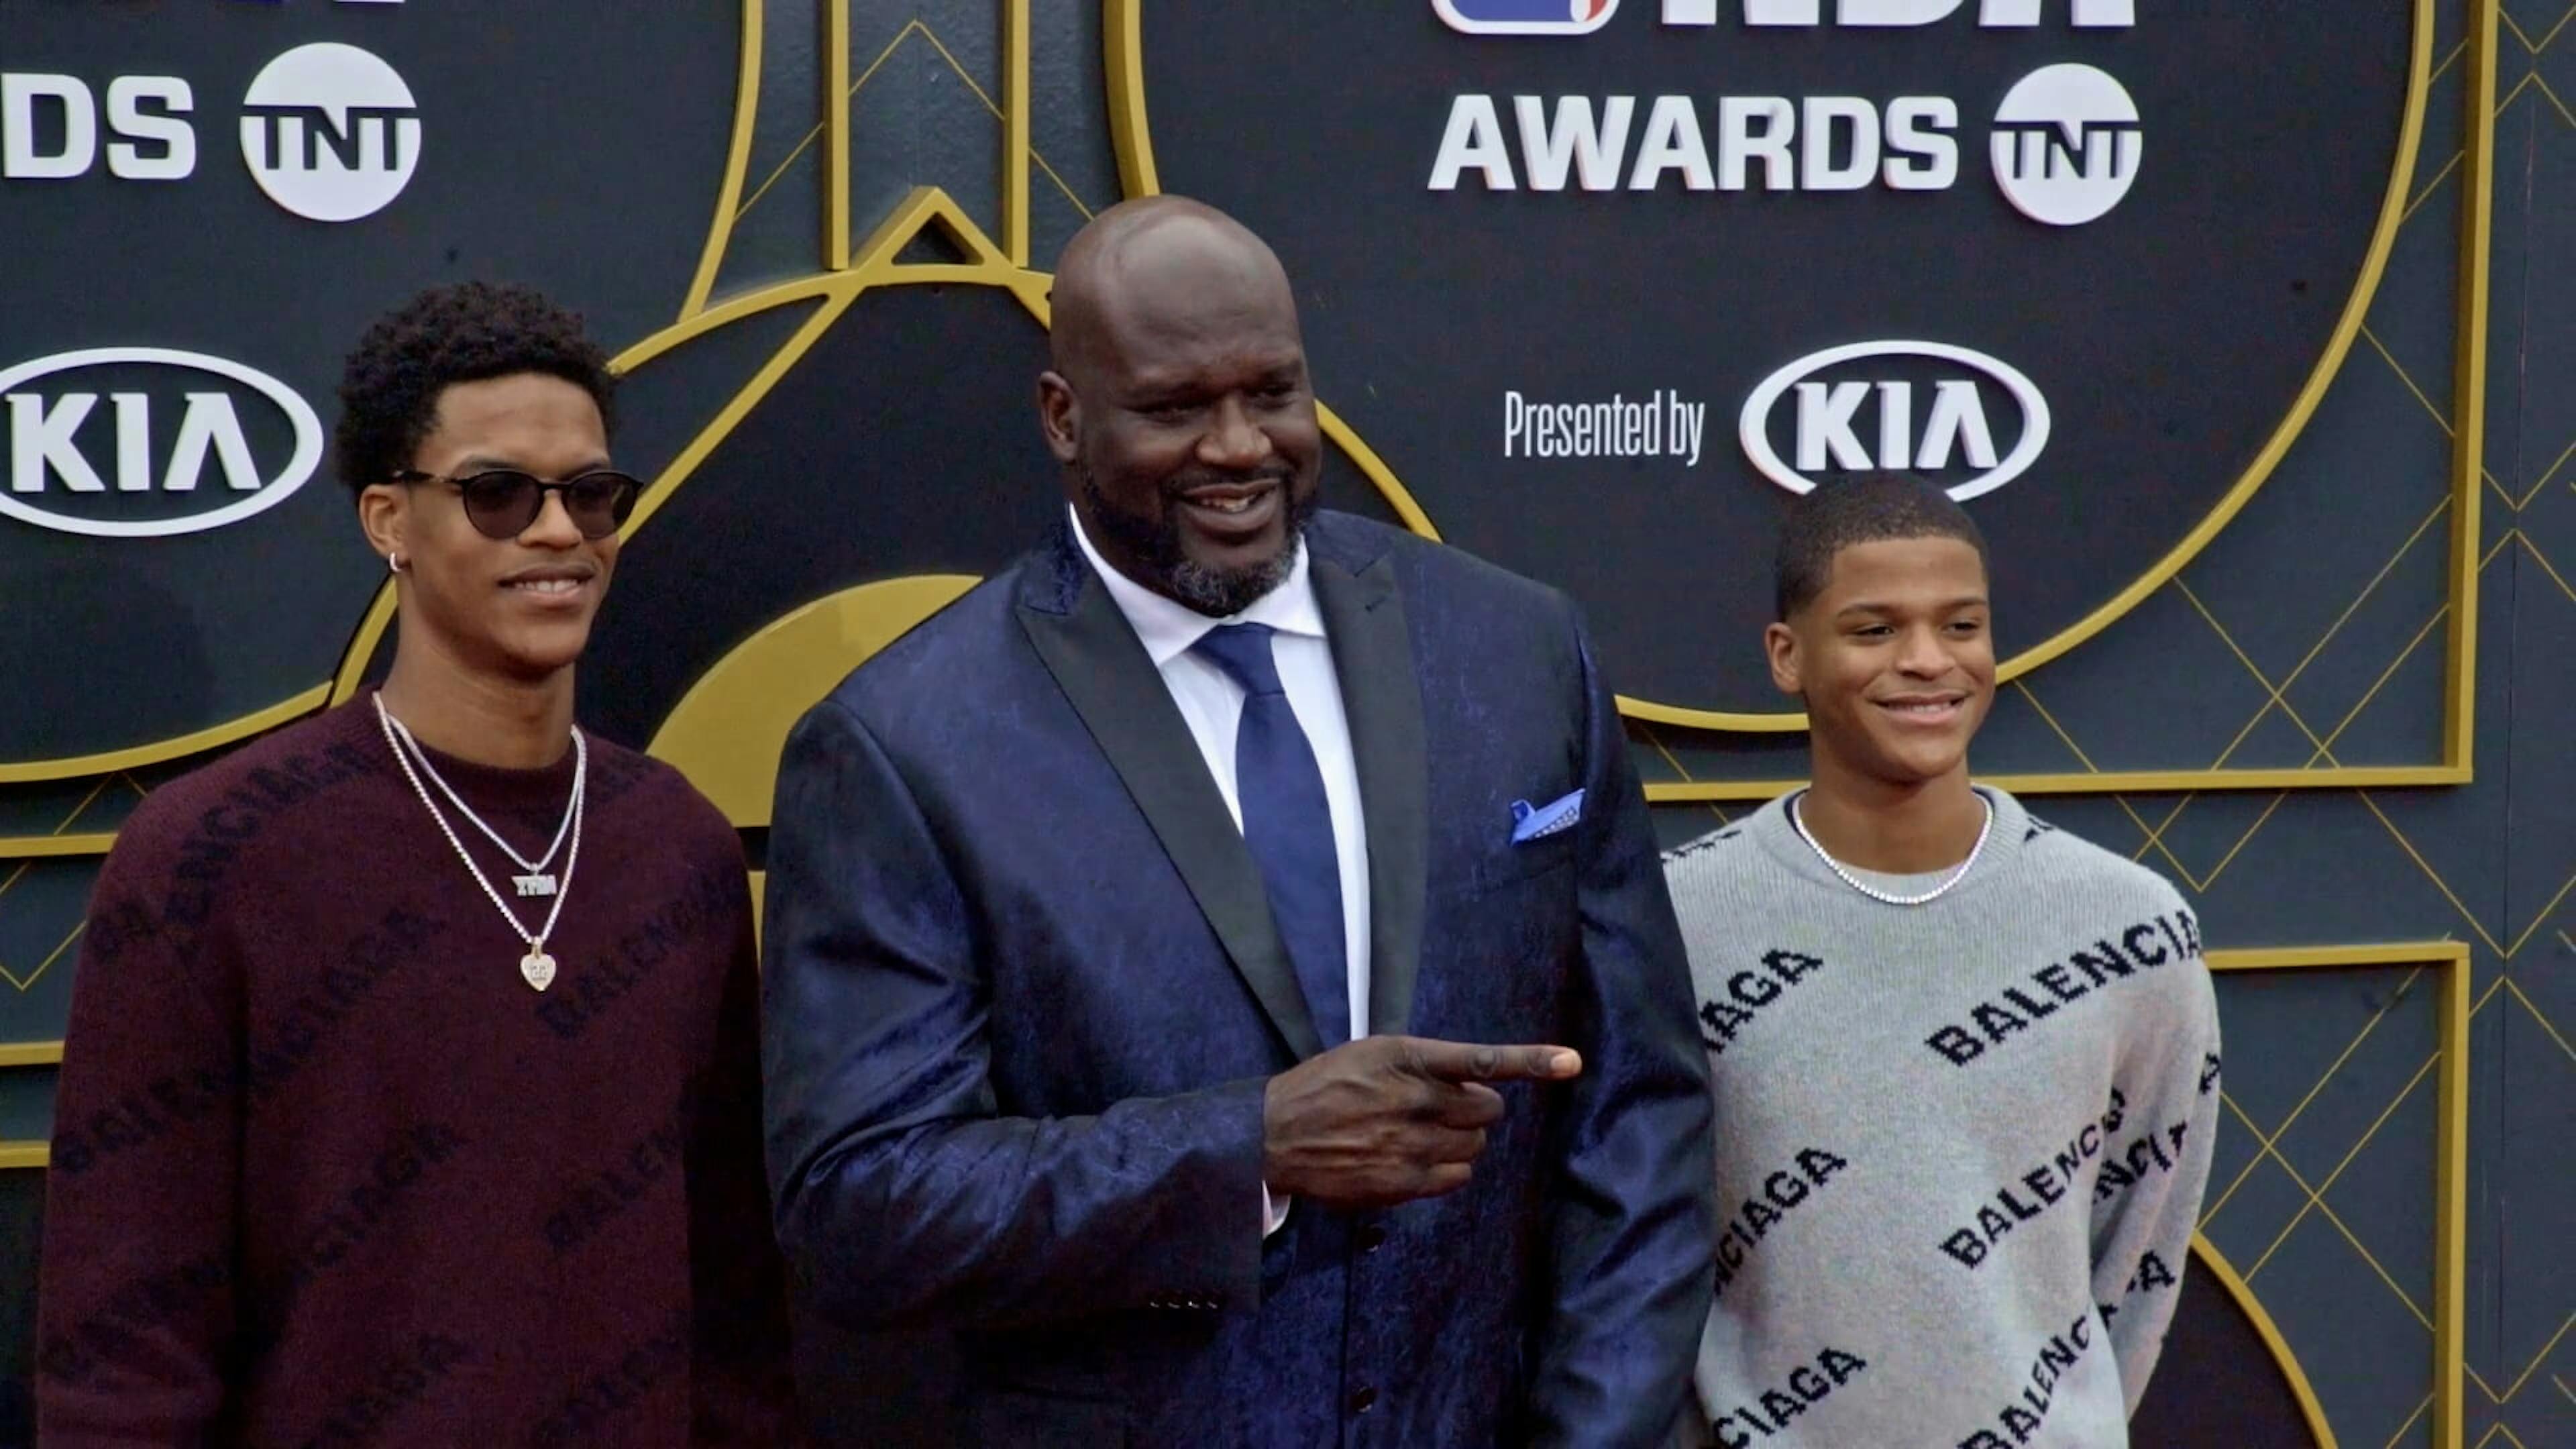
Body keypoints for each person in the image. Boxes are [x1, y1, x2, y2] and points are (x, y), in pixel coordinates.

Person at [761, 196, 1714, 1446]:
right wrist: (1246, 1150)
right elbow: (861, 1208)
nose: (1238, 447)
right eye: (1174, 408)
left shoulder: (1512, 648)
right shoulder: (907, 745)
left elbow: (1639, 1112)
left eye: (1272, 392)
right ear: (1063, 417)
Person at [36, 282, 798, 1445]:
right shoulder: (212, 854)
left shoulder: (678, 846)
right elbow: (125, 1347)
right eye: (498, 494)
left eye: (592, 494)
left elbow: (734, 1301)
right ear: (389, 519)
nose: (560, 533)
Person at [1661, 474, 2220, 1448]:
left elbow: (2140, 1251)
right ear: (1788, 656)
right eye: (1875, 630)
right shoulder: (1677, 917)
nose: (1928, 661)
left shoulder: (2131, 929)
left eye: (1962, 626)